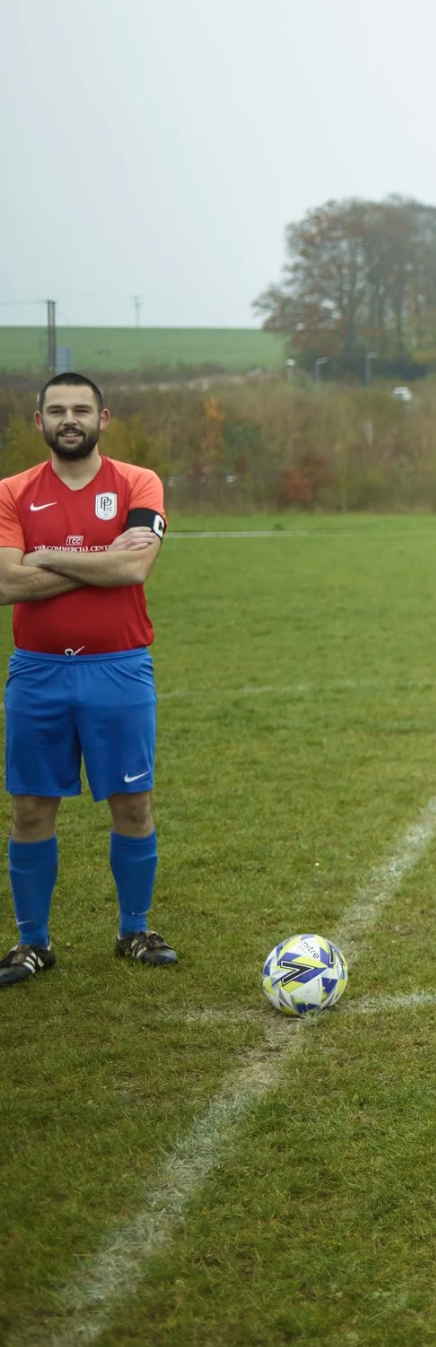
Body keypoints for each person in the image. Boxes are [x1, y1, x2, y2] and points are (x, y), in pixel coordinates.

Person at [0, 373, 172, 988]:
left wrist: (45, 555)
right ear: (38, 422)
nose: (68, 419)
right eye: (56, 410)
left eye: (80, 409)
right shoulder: (11, 493)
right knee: (29, 809)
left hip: (119, 668)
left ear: (103, 418)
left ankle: (134, 929)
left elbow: (136, 565)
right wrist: (105, 563)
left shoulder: (138, 482)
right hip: (38, 673)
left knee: (132, 802)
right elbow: (5, 584)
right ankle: (32, 943)